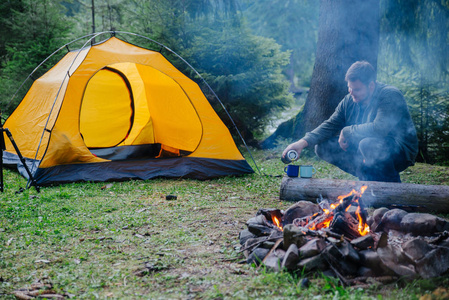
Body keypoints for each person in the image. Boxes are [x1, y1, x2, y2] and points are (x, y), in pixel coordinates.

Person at [282, 61, 418, 182]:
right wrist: (301, 143)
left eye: (357, 89)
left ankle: (392, 189)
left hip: (398, 150)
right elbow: (330, 125)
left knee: (368, 144)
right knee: (323, 146)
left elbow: (380, 128)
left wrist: (347, 131)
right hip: (365, 146)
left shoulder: (390, 95)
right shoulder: (349, 100)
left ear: (371, 86)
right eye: (349, 87)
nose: (351, 92)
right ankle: (367, 179)